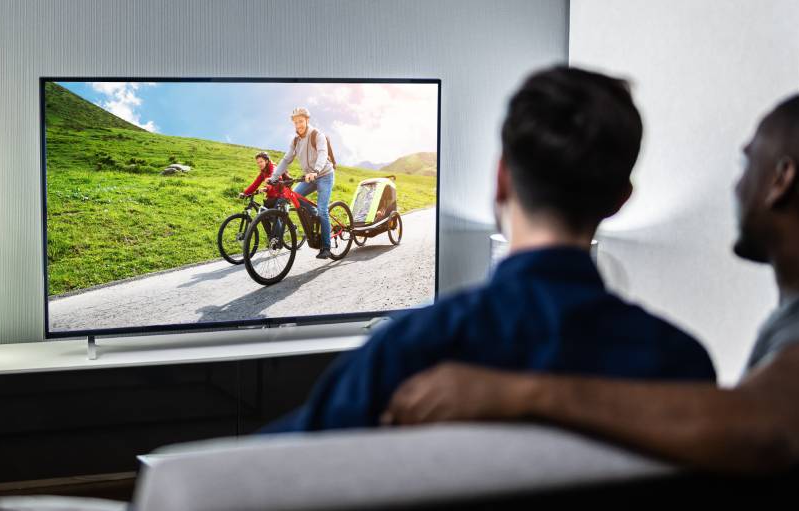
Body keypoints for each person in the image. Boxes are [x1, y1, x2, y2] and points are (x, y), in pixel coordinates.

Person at [382, 89, 799, 475]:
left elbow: (764, 428)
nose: (736, 183)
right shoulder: (695, 359)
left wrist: (517, 392)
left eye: (747, 161)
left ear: (782, 182)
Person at [260, 66, 717, 433]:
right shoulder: (682, 368)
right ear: (621, 199)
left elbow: (258, 471)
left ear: (501, 179)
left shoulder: (407, 350)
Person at [273, 107, 338, 259]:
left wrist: (315, 171)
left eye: (301, 121)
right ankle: (313, 213)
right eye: (296, 122)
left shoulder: (317, 135)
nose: (298, 125)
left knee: (323, 210)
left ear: (307, 120)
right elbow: (286, 159)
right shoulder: (296, 140)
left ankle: (326, 247)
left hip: (324, 175)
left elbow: (323, 153)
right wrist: (274, 177)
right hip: (308, 176)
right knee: (294, 196)